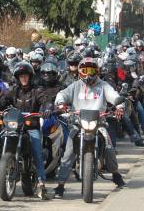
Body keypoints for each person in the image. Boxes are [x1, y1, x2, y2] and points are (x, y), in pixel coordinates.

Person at [53, 57, 127, 198]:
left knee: (109, 149)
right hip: (78, 124)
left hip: (99, 124)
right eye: (85, 70)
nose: (88, 74)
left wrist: (119, 106)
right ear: (80, 71)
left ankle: (115, 173)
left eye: (91, 70)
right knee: (68, 154)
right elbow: (62, 94)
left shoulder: (103, 86)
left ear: (97, 71)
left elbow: (114, 96)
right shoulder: (75, 86)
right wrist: (61, 103)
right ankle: (61, 185)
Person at [0, 62, 52, 199]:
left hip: (31, 126)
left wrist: (47, 108)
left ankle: (41, 183)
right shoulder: (14, 91)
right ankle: (4, 163)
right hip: (16, 126)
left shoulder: (36, 91)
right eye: (21, 76)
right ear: (18, 78)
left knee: (37, 152)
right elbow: (3, 101)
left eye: (26, 76)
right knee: (0, 137)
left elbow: (46, 100)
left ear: (30, 77)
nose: (24, 78)